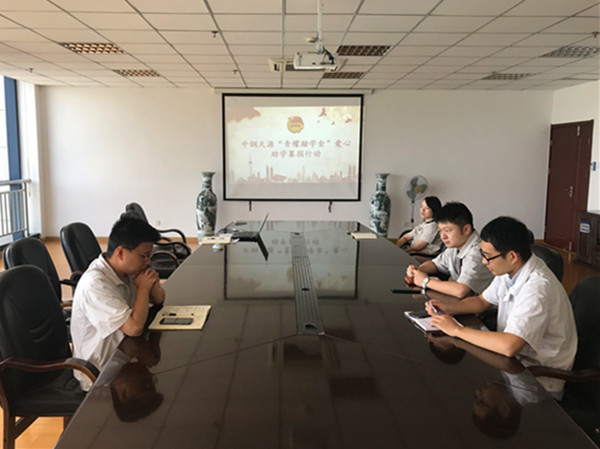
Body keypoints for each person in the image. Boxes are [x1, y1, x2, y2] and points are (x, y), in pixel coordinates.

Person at [426, 216, 577, 395]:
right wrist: (450, 308)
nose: (484, 261)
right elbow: (482, 301)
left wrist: (456, 330)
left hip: (537, 381)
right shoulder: (511, 269)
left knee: (457, 386)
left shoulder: (537, 288)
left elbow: (509, 346)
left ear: (512, 256)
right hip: (513, 362)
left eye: (488, 257)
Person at [70, 216, 166, 391]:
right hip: (101, 373)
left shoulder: (126, 270)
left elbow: (159, 299)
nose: (148, 262)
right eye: (144, 256)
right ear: (120, 253)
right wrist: (143, 288)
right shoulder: (95, 284)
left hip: (124, 355)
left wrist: (151, 285)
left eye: (149, 256)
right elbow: (134, 328)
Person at [406, 202, 493, 298]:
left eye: (447, 230)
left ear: (466, 230)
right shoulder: (456, 245)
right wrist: (417, 270)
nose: (443, 236)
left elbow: (461, 290)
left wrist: (426, 281)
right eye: (440, 231)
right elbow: (435, 264)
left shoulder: (478, 252)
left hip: (480, 305)